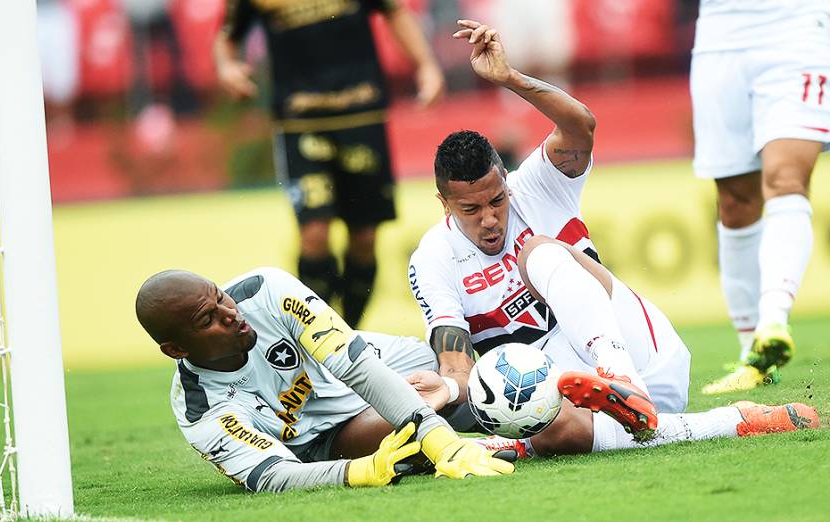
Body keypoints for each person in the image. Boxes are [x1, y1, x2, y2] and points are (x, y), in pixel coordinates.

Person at [405, 20, 818, 457]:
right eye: (471, 210)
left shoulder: (536, 186)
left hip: (639, 351)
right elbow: (457, 365)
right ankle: (733, 422)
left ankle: (622, 381)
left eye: (496, 201)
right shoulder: (433, 257)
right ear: (444, 203)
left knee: (537, 253)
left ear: (506, 180)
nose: (490, 219)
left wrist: (511, 79)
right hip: (570, 399)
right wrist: (448, 389)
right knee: (533, 421)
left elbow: (581, 127)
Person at [134, 267, 513, 493]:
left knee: (444, 369)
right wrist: (362, 471)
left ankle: (476, 422)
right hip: (330, 436)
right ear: (176, 350)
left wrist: (437, 432)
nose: (230, 313)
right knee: (394, 429)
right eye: (208, 320)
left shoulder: (265, 290)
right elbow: (273, 475)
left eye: (220, 297)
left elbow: (355, 365)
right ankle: (496, 435)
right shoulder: (201, 409)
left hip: (365, 366)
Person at [215, 0, 444, 328]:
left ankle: (350, 334)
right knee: (314, 234)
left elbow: (394, 10)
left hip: (362, 113)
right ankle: (316, 334)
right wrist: (228, 66)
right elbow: (227, 34)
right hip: (300, 121)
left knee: (364, 238)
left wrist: (426, 65)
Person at [690, 0, 830, 394]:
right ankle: (754, 356)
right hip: (719, 34)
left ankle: (773, 320)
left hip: (796, 25)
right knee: (735, 202)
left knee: (785, 177)